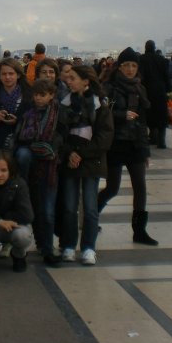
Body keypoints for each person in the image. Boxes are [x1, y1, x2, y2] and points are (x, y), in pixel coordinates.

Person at [99, 48, 157, 246]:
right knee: (112, 188)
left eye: (133, 65)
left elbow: (143, 122)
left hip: (135, 144)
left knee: (140, 186)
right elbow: (101, 114)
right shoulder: (109, 87)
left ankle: (139, 231)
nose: (130, 69)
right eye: (126, 65)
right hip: (116, 144)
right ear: (119, 67)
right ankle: (91, 216)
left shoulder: (140, 88)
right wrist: (121, 115)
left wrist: (146, 150)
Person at [58, 65, 114, 265]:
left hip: (91, 162)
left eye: (73, 78)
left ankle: (89, 247)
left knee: (90, 207)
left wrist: (80, 154)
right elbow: (59, 134)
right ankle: (69, 245)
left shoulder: (100, 106)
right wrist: (69, 153)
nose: (68, 81)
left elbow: (105, 136)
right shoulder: (64, 105)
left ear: (86, 81)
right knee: (69, 206)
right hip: (70, 161)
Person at [13, 80, 62, 265]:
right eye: (36, 94)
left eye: (42, 95)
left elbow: (62, 136)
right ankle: (36, 246)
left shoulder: (59, 113)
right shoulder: (28, 113)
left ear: (51, 95)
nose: (38, 98)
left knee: (48, 212)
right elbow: (20, 140)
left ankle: (48, 249)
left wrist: (50, 148)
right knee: (33, 210)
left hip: (50, 168)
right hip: (32, 170)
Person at [0, 58, 32, 155]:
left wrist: (17, 121)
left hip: (22, 143)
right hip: (0, 143)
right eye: (4, 74)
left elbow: (34, 123)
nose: (7, 77)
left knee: (23, 155)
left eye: (11, 74)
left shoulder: (28, 96)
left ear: (18, 75)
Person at [139, 40, 170, 149]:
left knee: (149, 115)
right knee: (161, 116)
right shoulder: (161, 59)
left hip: (147, 91)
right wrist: (168, 90)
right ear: (154, 47)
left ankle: (153, 137)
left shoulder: (141, 59)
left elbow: (140, 77)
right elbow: (167, 76)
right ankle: (161, 141)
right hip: (160, 91)